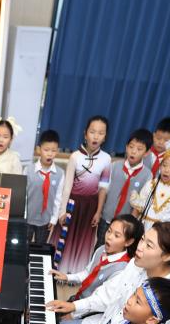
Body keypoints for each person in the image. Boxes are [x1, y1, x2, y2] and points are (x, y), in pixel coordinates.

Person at [49, 116, 112, 274]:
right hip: (72, 205)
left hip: (90, 207)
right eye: (92, 132)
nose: (96, 136)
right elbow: (67, 186)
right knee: (66, 238)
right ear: (85, 134)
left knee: (82, 240)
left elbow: (103, 188)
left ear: (105, 137)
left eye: (100, 133)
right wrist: (62, 211)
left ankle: (75, 272)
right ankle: (59, 270)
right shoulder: (75, 156)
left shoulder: (106, 159)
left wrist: (98, 212)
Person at [51, 215, 142, 301]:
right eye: (109, 231)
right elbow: (88, 273)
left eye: (116, 235)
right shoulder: (101, 250)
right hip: (79, 299)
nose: (109, 237)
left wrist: (73, 308)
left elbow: (100, 301)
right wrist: (67, 277)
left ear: (128, 242)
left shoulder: (122, 269)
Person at [96, 128, 154, 245]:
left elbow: (140, 204)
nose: (133, 151)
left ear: (147, 153)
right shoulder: (114, 166)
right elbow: (103, 190)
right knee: (100, 247)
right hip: (106, 219)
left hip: (125, 225)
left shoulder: (148, 175)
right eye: (131, 147)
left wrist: (130, 224)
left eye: (139, 149)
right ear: (126, 147)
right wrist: (98, 212)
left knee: (118, 251)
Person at [131, 138, 170, 229]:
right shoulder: (151, 184)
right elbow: (137, 209)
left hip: (162, 231)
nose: (166, 170)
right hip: (142, 227)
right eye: (164, 165)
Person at [25, 129, 64, 244]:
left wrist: (54, 219)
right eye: (46, 150)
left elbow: (58, 198)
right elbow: (24, 195)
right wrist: (23, 215)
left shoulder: (60, 173)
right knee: (24, 244)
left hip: (45, 220)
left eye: (53, 150)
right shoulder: (28, 170)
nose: (50, 154)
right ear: (39, 149)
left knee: (40, 246)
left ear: (57, 151)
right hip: (28, 217)